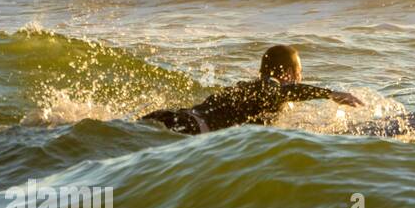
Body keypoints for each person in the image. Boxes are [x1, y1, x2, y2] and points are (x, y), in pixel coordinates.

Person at [142, 45, 363, 135]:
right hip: (186, 127)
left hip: (173, 119)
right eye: (299, 73)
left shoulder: (252, 89)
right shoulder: (270, 87)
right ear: (287, 73)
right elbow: (281, 93)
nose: (300, 79)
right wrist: (328, 93)